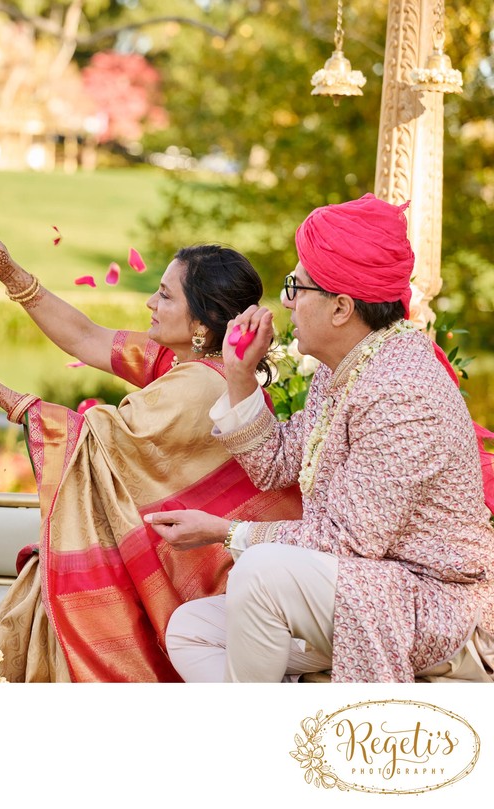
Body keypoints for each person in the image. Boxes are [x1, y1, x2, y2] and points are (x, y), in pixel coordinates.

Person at [0, 212, 301, 682]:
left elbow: (93, 441)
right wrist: (10, 273)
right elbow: (87, 337)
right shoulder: (188, 361)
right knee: (45, 582)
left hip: (217, 581)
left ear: (202, 323)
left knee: (53, 592)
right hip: (204, 559)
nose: (151, 301)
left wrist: (6, 397)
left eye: (166, 295)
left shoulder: (201, 389)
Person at [153, 193, 494, 683]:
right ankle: (288, 736)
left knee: (261, 572)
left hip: (433, 604)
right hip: (367, 586)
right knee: (192, 629)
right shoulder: (345, 369)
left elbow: (348, 543)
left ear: (340, 308)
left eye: (297, 286)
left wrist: (224, 532)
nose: (286, 300)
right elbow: (277, 464)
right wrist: (240, 374)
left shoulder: (403, 392)